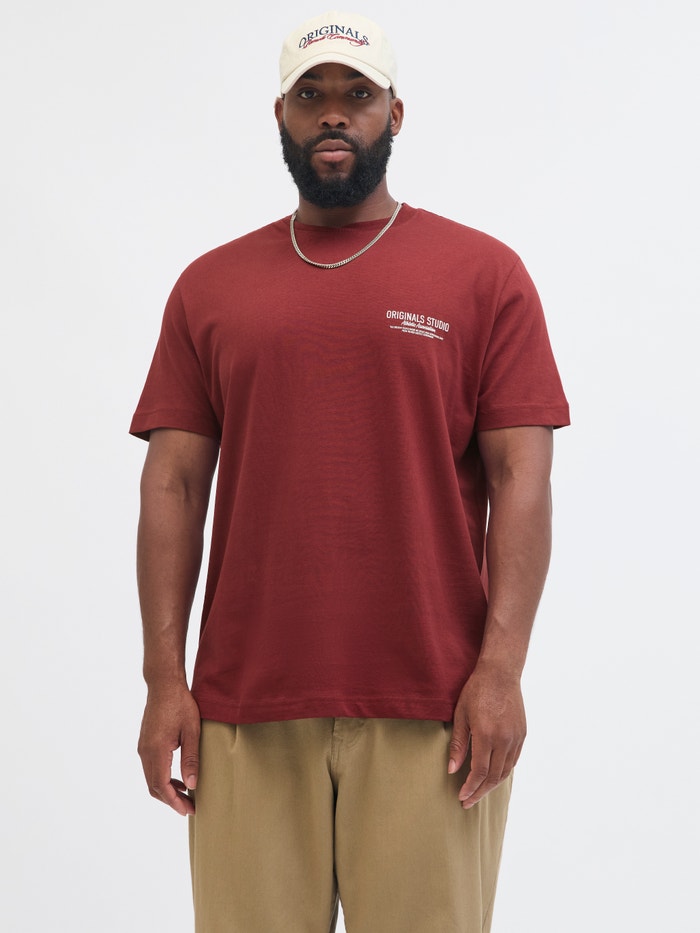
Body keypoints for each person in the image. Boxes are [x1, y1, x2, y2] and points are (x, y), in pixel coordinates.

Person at [130, 10, 570, 933]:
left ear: (395, 114)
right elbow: (173, 485)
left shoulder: (484, 275)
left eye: (357, 95)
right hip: (243, 709)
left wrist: (501, 670)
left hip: (434, 709)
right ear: (281, 115)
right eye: (312, 95)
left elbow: (522, 479)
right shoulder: (210, 286)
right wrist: (164, 679)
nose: (334, 113)